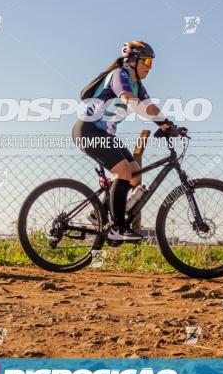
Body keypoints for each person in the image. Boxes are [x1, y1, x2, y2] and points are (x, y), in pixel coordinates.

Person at [73, 40, 174, 242]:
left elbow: (150, 106)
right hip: (88, 130)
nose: (149, 67)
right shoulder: (120, 75)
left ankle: (99, 214)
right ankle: (117, 227)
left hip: (105, 135)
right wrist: (156, 119)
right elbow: (129, 99)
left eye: (151, 63)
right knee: (124, 172)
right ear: (133, 60)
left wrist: (169, 126)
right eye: (146, 61)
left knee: (135, 172)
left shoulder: (138, 85)